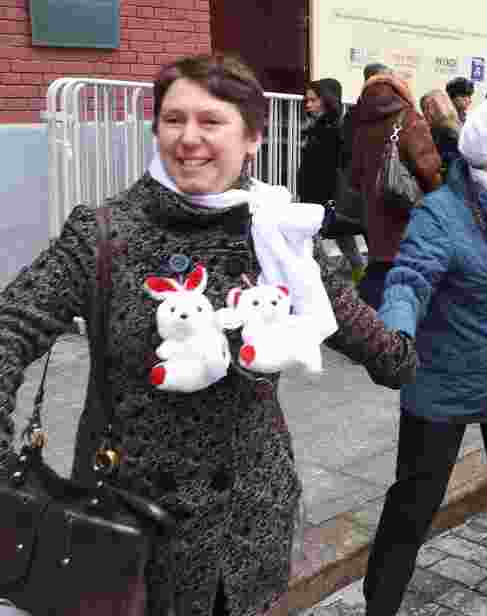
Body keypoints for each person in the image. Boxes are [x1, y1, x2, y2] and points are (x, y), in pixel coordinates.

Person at [0, 54, 417, 616]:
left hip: (249, 524)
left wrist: (406, 344)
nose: (188, 138)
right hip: (130, 531)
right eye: (174, 120)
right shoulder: (104, 233)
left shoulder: (276, 229)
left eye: (210, 121)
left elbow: (353, 324)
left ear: (252, 137)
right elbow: (11, 327)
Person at [364, 95, 487, 615]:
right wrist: (396, 336)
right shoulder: (440, 214)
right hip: (445, 379)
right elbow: (408, 279)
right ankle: (380, 602)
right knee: (416, 497)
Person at [348, 71, 442, 308]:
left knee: (380, 261)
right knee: (406, 265)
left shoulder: (362, 123)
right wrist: (439, 199)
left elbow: (354, 176)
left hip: (374, 208)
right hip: (406, 205)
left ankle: (369, 316)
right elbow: (428, 168)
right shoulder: (409, 119)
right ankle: (398, 321)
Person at [298, 78, 367, 278]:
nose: (308, 104)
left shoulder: (334, 129)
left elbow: (336, 165)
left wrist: (334, 196)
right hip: (314, 194)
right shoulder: (316, 128)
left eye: (313, 100)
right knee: (342, 240)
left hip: (326, 195)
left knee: (338, 238)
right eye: (307, 100)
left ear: (327, 100)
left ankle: (353, 278)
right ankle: (357, 275)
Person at [420, 89, 462, 181]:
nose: (425, 113)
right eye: (423, 109)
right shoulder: (456, 126)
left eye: (427, 108)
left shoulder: (442, 131)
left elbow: (442, 163)